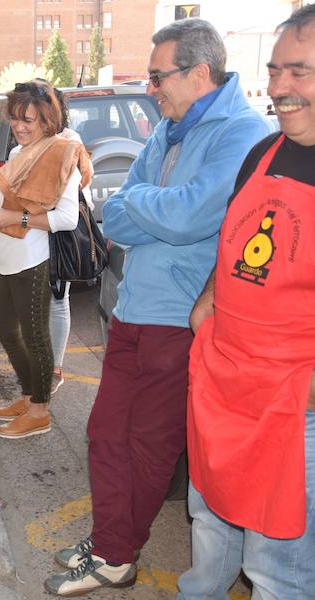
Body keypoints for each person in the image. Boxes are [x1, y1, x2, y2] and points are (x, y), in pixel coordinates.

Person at [45, 18, 270, 596]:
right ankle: (110, 542)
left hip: (181, 322)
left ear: (199, 74)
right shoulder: (170, 128)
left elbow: (191, 216)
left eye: (156, 76)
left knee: (148, 445)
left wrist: (143, 203)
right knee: (104, 435)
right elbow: (114, 218)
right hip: (133, 311)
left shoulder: (239, 132)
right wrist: (151, 207)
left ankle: (118, 554)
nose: (150, 88)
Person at [179, 6, 315, 598]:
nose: (279, 88)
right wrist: (208, 299)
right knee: (209, 525)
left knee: (276, 569)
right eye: (274, 70)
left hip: (290, 407)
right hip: (224, 383)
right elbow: (236, 243)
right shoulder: (263, 153)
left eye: (300, 72)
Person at [0, 80, 83, 439]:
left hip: (33, 260)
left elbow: (67, 219)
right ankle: (29, 395)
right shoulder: (14, 155)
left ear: (47, 121)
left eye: (29, 120)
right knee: (5, 330)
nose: (20, 126)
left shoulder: (62, 154)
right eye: (15, 118)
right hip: (4, 256)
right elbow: (11, 208)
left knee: (37, 338)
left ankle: (40, 411)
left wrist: (16, 219)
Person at [45, 84, 94, 396]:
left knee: (57, 298)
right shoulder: (26, 140)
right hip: (34, 230)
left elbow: (81, 188)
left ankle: (55, 367)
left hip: (60, 230)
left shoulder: (69, 141)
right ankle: (40, 366)